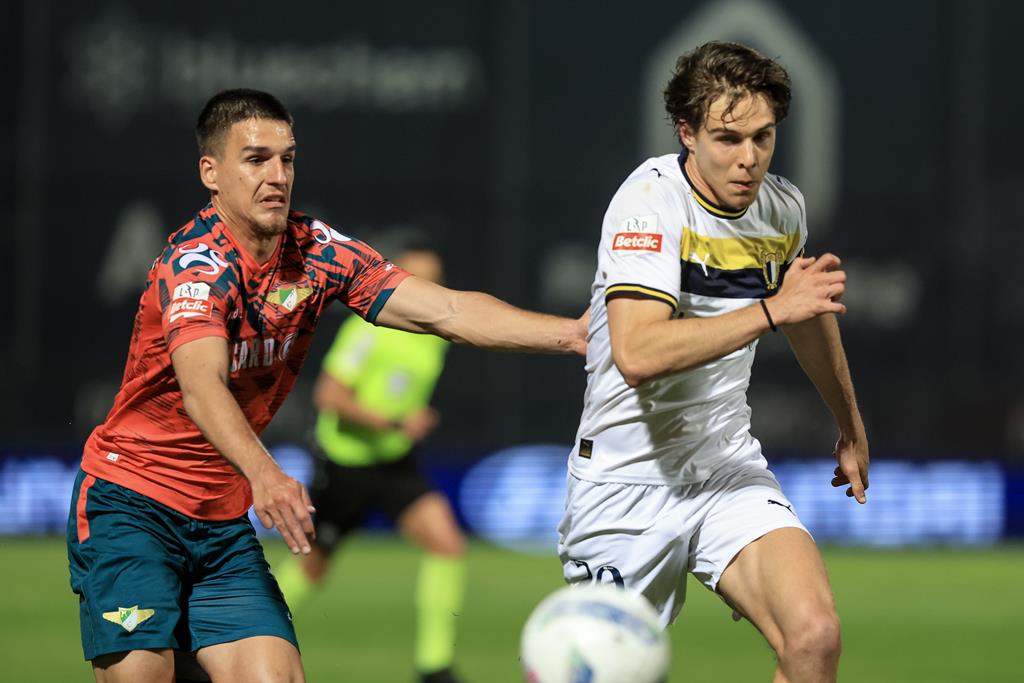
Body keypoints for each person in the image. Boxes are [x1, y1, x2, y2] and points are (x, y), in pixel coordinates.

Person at [66, 88, 586, 683]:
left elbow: (445, 310)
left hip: (220, 521)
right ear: (211, 173)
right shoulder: (197, 267)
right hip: (132, 506)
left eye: (287, 158)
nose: (277, 176)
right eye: (256, 159)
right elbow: (202, 387)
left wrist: (573, 335)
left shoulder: (317, 251)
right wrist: (265, 473)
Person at [558, 41, 869, 683]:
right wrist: (771, 310)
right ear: (687, 133)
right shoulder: (649, 204)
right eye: (728, 138)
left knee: (813, 638)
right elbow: (638, 353)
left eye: (763, 137)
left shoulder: (781, 209)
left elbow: (805, 314)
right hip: (624, 482)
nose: (748, 158)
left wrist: (850, 425)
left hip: (725, 467)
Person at [274, 243, 468, 683]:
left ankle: (434, 667)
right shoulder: (367, 330)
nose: (426, 289)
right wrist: (395, 421)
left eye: (433, 280)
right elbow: (329, 396)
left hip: (394, 460)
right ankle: (240, 635)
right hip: (346, 464)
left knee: (446, 543)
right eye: (416, 279)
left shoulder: (433, 337)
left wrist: (404, 424)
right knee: (314, 566)